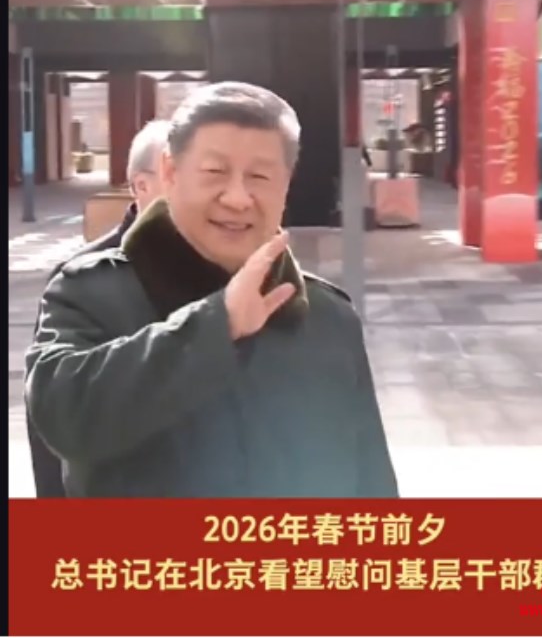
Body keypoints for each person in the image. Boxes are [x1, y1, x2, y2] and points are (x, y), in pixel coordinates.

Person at [25, 82, 398, 498]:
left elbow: (372, 484)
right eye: (215, 172)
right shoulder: (90, 293)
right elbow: (62, 419)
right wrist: (217, 325)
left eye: (259, 176)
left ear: (286, 184)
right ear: (170, 172)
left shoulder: (327, 316)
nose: (237, 198)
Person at [26, 120, 170, 498]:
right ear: (141, 186)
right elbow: (49, 415)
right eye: (178, 176)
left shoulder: (224, 266)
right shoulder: (80, 277)